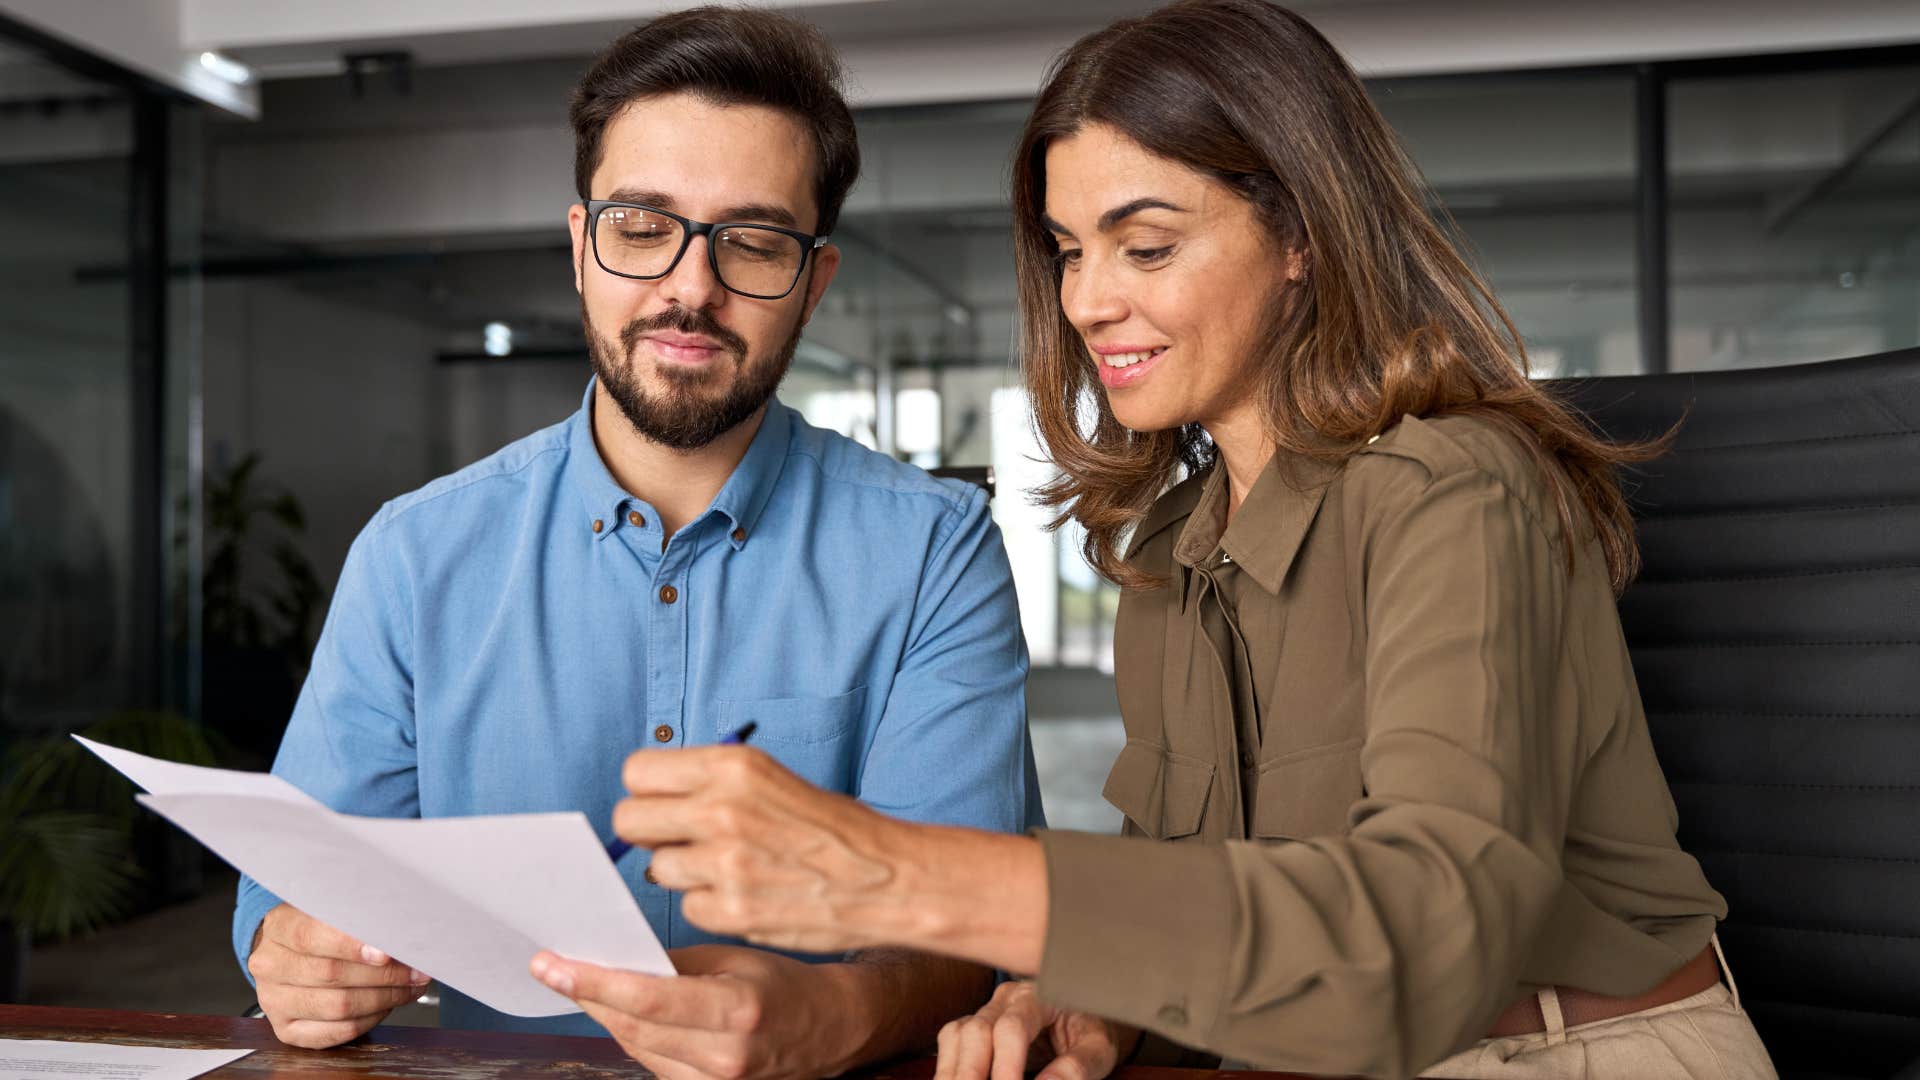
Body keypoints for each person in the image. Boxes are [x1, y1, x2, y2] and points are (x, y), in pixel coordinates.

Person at [564, 2, 1780, 1078]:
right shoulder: (1175, 549)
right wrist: (1107, 1005)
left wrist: (894, 873)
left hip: (1565, 1052)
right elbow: (1224, 912)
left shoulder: (1456, 487)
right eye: (1070, 249)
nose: (1090, 298)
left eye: (1146, 246)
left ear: (1302, 235)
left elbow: (1419, 943)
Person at [232, 8, 1044, 1076]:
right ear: (581, 246)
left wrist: (835, 1012)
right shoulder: (415, 556)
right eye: (642, 225)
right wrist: (296, 958)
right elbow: (294, 898)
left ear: (816, 282)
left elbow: (969, 930)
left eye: (752, 242)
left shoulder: (934, 554)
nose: (690, 288)